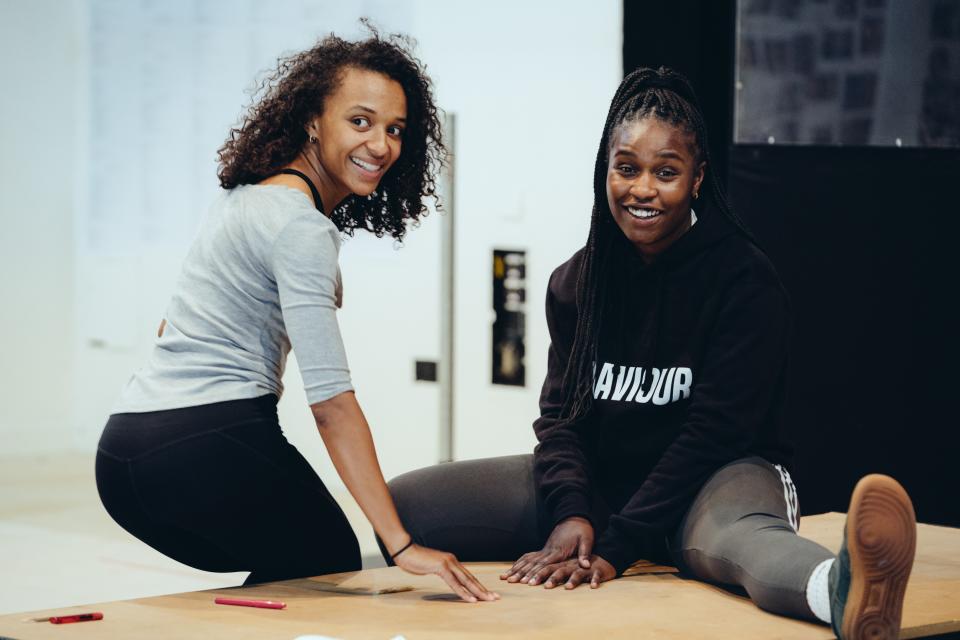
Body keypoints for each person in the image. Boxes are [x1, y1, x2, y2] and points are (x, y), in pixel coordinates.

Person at [385, 66, 915, 637]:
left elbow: (715, 431)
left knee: (743, 542)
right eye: (627, 168)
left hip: (715, 481)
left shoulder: (742, 280)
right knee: (411, 505)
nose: (642, 189)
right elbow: (561, 421)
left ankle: (845, 589)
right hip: (606, 484)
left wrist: (618, 545)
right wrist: (572, 513)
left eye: (666, 172)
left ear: (697, 178)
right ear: (604, 170)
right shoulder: (577, 282)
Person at [94, 29, 497, 604]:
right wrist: (401, 544)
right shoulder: (300, 228)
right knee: (326, 556)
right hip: (199, 441)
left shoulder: (244, 197)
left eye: (395, 129)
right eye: (360, 121)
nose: (381, 144)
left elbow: (169, 328)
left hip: (125, 452)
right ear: (314, 120)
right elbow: (331, 403)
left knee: (295, 565)